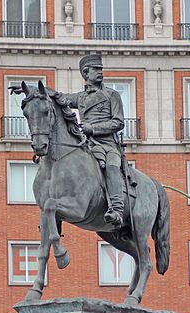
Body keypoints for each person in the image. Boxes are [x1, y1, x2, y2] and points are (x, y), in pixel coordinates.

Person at [63, 54, 125, 227]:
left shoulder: (112, 95)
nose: (100, 72)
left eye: (101, 69)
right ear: (86, 73)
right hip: (87, 143)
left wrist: (93, 128)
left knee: (112, 166)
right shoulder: (80, 97)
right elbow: (58, 97)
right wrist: (30, 89)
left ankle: (117, 209)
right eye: (96, 69)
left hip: (108, 144)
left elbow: (118, 122)